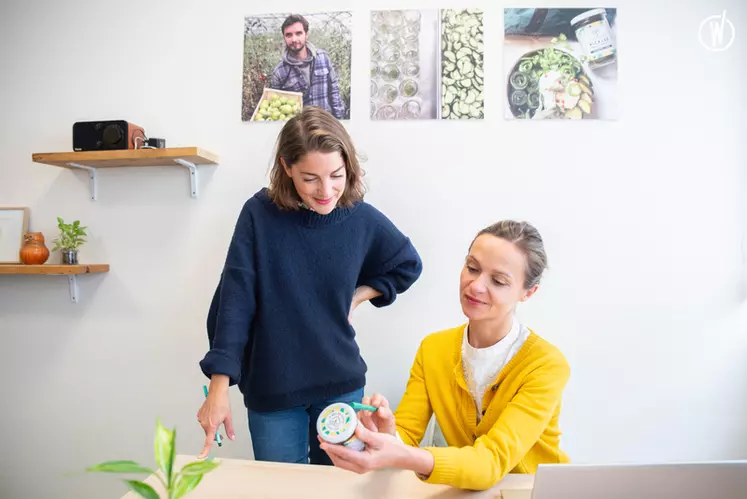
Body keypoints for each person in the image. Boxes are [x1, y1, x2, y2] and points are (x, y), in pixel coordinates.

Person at [196, 106, 422, 464]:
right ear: (286, 168)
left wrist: (360, 295)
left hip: (342, 388)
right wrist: (219, 387)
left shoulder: (359, 217)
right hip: (273, 389)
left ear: (348, 165)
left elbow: (407, 264)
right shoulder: (259, 215)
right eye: (310, 178)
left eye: (336, 175)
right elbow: (234, 303)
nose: (326, 190)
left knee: (340, 490)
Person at [320, 221, 570, 490]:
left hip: (533, 492)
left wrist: (402, 454)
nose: (475, 286)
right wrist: (386, 433)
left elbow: (491, 462)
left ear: (528, 293)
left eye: (498, 281)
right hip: (463, 491)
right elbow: (408, 435)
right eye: (472, 268)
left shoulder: (545, 365)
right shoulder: (434, 349)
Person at [271, 14, 345, 119]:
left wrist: (339, 120)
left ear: (306, 35)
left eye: (298, 33)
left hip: (326, 123)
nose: (294, 39)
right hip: (301, 130)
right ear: (284, 38)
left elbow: (334, 90)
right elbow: (276, 107)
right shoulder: (279, 72)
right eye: (289, 35)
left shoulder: (323, 58)